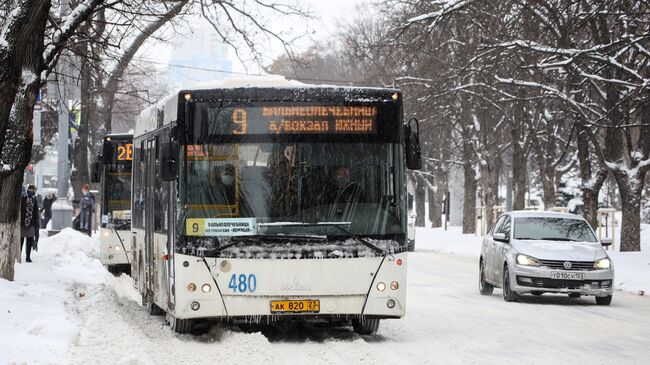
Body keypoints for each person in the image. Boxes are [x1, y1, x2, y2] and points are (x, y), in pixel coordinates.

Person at [21, 185, 40, 262]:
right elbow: (21, 209)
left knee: (29, 240)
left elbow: (35, 212)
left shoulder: (35, 200)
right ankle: (18, 255)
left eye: (32, 190)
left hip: (31, 223)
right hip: (22, 222)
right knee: (21, 240)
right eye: (29, 189)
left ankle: (28, 257)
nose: (30, 191)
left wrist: (36, 223)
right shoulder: (23, 199)